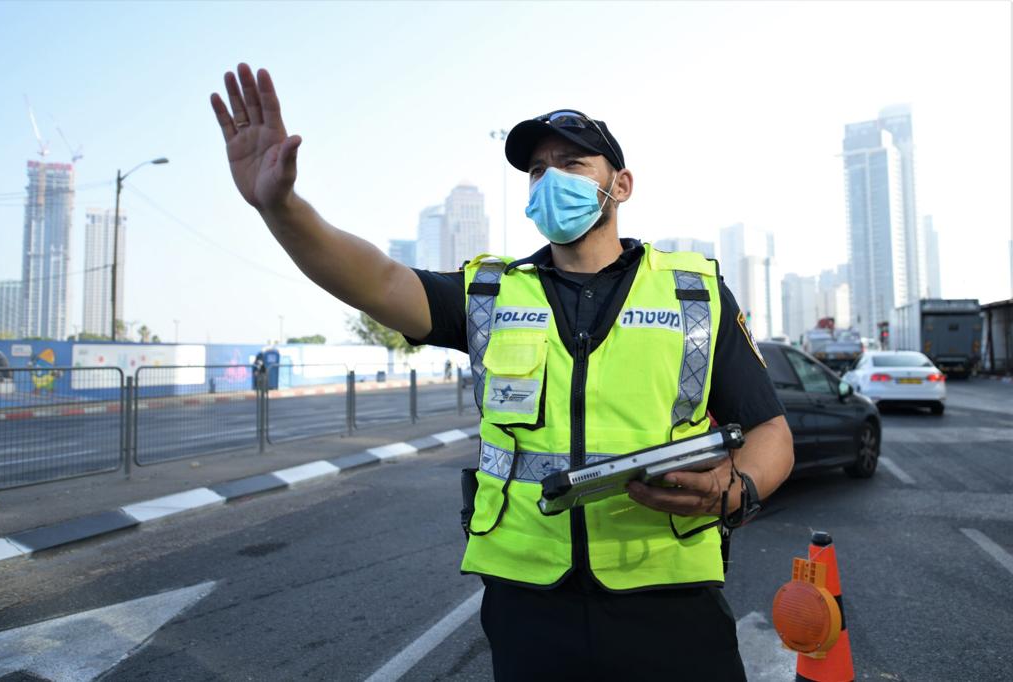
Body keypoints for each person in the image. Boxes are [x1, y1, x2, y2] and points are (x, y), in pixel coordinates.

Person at [211, 64, 795, 681]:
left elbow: (770, 433)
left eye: (572, 165)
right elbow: (379, 281)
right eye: (538, 171)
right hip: (529, 602)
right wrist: (282, 209)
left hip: (670, 596)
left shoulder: (693, 293)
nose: (550, 181)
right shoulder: (490, 293)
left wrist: (739, 487)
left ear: (620, 185)